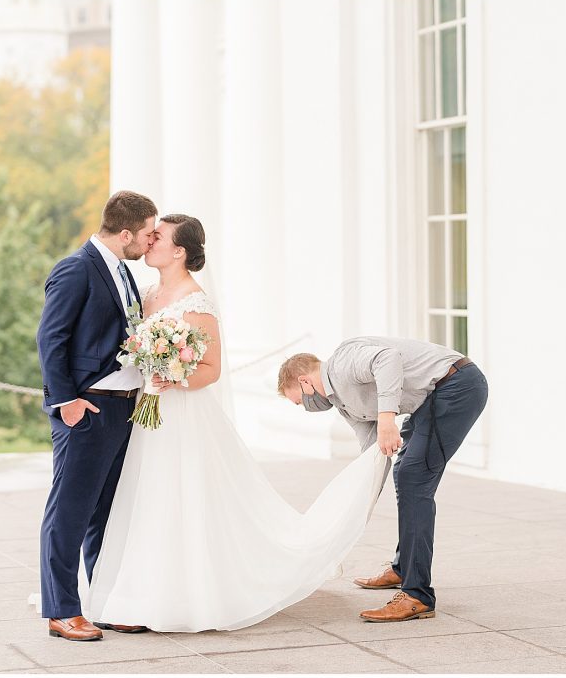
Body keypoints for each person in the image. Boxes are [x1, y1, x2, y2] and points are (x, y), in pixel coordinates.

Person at [81, 214, 391, 633]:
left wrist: (173, 377)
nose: (149, 241)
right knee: (146, 496)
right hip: (148, 414)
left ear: (179, 251)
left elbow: (211, 369)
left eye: (159, 237)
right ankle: (137, 593)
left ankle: (182, 596)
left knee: (180, 498)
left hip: (183, 414)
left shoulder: (196, 302)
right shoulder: (148, 292)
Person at [278, 338, 488, 622]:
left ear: (305, 382)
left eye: (299, 401)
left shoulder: (342, 362)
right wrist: (355, 510)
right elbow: (373, 453)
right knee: (405, 472)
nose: (306, 406)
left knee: (414, 478)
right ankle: (404, 569)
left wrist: (387, 420)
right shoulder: (343, 403)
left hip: (457, 384)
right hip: (432, 398)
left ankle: (418, 595)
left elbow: (388, 359)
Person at [36, 190, 155, 641]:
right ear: (125, 232)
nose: (149, 242)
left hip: (124, 409)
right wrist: (65, 401)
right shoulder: (75, 268)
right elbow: (51, 339)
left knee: (106, 512)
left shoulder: (122, 270)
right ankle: (62, 609)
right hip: (87, 407)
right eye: (146, 234)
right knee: (69, 510)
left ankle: (105, 603)